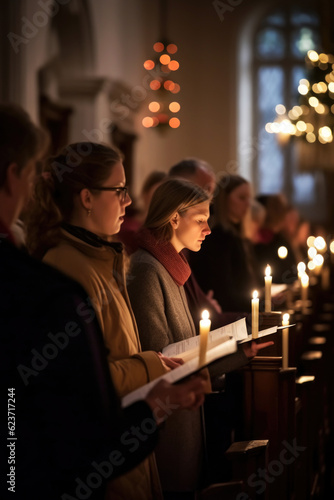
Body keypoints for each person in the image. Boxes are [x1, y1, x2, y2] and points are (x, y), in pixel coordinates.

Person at [0, 104, 208, 500]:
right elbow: (81, 385)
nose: (128, 202)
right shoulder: (65, 268)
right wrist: (152, 371)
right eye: (119, 190)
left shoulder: (104, 258)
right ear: (87, 198)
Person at [127, 178, 273, 498]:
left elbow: (191, 344)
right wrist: (235, 349)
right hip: (169, 423)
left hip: (187, 415)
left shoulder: (173, 265)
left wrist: (241, 350)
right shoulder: (148, 270)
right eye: (201, 219)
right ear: (174, 218)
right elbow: (163, 359)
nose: (208, 229)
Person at [190, 174, 259, 313]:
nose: (248, 204)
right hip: (229, 315)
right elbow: (223, 290)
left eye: (249, 198)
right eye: (241, 198)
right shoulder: (218, 238)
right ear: (225, 199)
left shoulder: (238, 236)